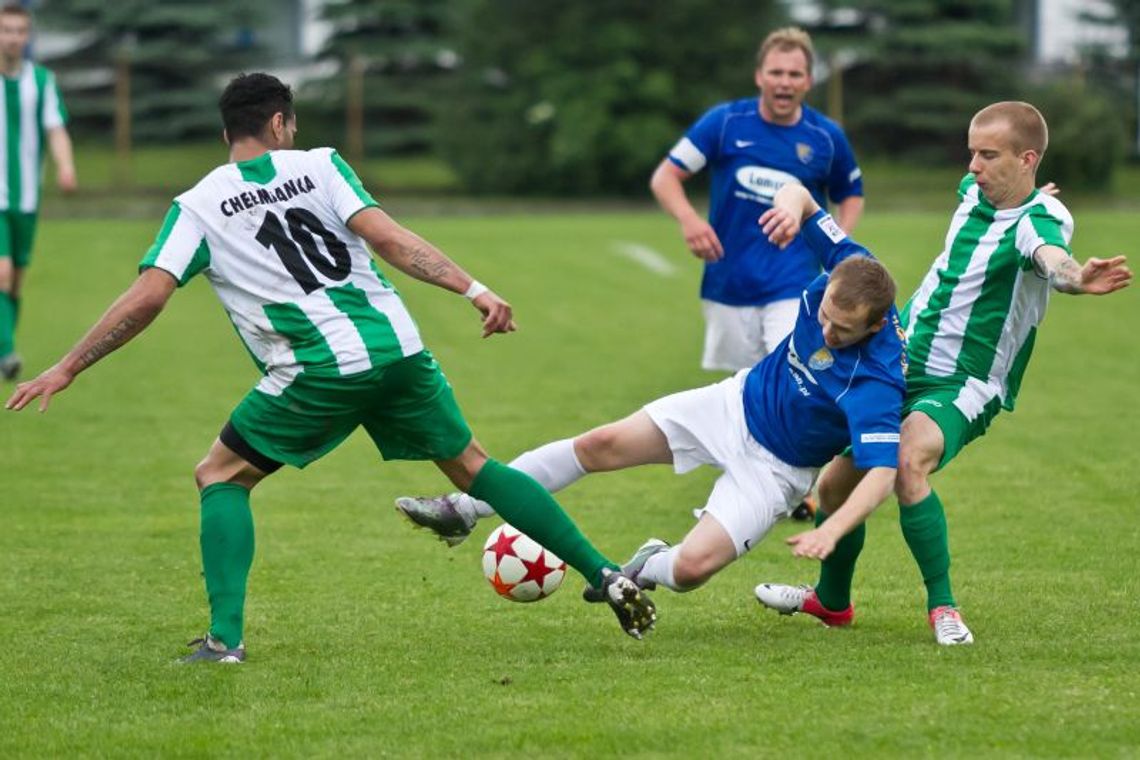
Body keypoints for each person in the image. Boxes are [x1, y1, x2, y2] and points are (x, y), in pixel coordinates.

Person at [5, 73, 656, 663]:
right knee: (474, 468)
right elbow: (390, 239)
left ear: (227, 133)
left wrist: (68, 366)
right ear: (280, 123)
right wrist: (473, 288)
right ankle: (604, 572)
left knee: (220, 475)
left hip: (316, 369)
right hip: (398, 351)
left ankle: (225, 641)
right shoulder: (322, 165)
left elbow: (148, 296)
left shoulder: (198, 205)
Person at [395, 183, 904, 609]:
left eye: (843, 330)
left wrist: (832, 530)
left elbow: (881, 472)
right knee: (600, 444)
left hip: (776, 470)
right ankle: (464, 508)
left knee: (691, 570)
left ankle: (644, 566)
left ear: (877, 325)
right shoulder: (852, 266)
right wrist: (791, 208)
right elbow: (801, 195)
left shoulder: (877, 380)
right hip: (732, 405)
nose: (827, 331)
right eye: (824, 316)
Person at [755, 101, 1132, 645]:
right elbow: (1012, 198)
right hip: (901, 359)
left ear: (1027, 159)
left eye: (988, 155)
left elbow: (1051, 257)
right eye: (971, 153)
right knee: (835, 486)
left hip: (964, 383)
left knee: (908, 462)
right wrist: (1027, 191)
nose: (973, 166)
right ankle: (831, 602)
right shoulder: (975, 191)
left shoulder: (1037, 223)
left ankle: (944, 607)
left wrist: (1076, 277)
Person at [652, 27, 863, 522]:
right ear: (759, 76)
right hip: (728, 283)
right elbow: (666, 176)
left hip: (793, 281)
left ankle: (796, 490)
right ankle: (752, 490)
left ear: (808, 80)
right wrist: (689, 221)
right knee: (748, 394)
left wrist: (837, 249)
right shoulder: (725, 124)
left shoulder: (825, 138)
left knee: (791, 377)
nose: (785, 82)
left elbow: (850, 194)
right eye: (776, 72)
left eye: (795, 74)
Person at [0, 3, 77, 381]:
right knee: (1, 273)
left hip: (27, 198)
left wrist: (66, 166)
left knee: (15, 282)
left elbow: (56, 130)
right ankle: (7, 353)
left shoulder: (42, 81)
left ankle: (3, 345)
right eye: (6, 30)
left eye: (19, 31)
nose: (13, 38)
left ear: (27, 36)